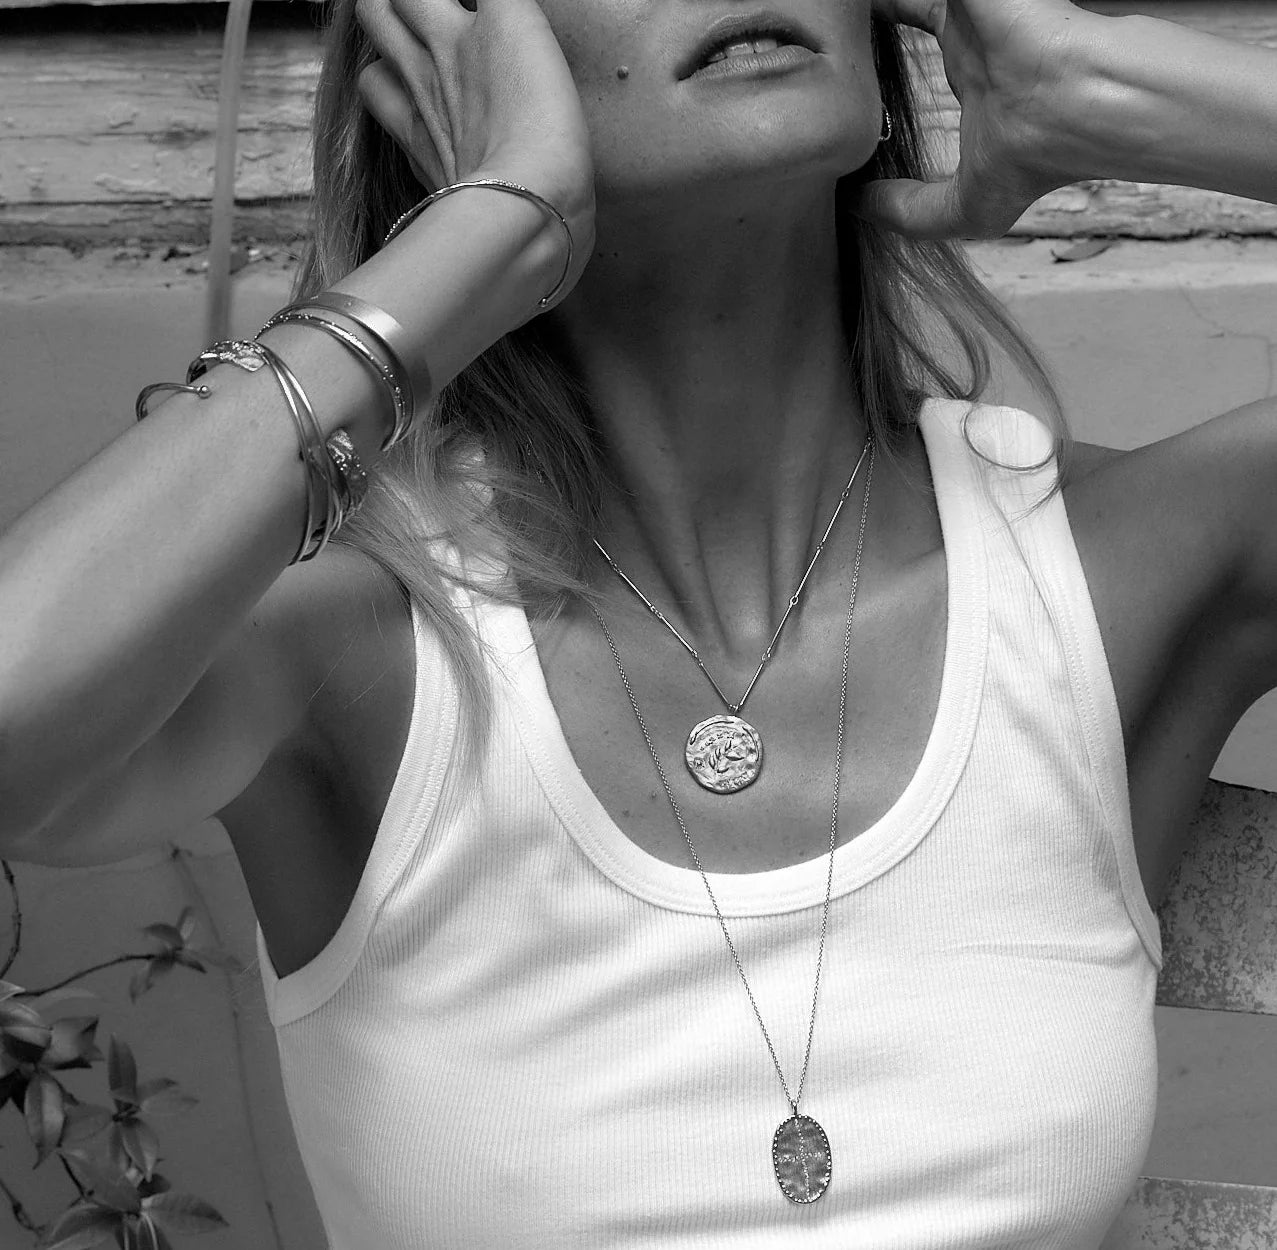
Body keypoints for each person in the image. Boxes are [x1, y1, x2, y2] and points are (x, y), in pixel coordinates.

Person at [1, 0, 1274, 1242]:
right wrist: (474, 240)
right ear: (450, 57)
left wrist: (1106, 91)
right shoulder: (363, 634)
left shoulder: (1118, 559)